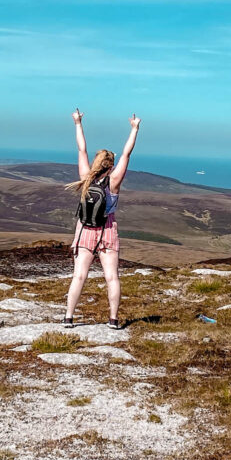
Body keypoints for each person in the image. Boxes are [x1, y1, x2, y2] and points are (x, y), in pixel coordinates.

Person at [62, 108, 140, 329]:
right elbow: (127, 154)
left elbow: (81, 148)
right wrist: (134, 129)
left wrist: (78, 123)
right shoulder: (114, 181)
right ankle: (113, 320)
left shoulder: (85, 178)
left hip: (85, 228)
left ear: (97, 163)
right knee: (111, 277)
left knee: (79, 276)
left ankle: (69, 318)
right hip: (107, 229)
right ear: (111, 165)